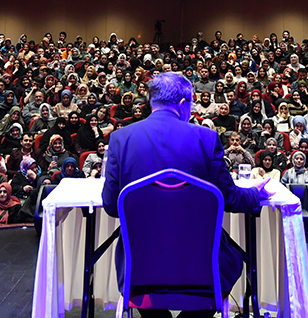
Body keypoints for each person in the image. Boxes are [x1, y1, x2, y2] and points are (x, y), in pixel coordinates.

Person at [102, 72, 269, 318]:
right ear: (183, 104)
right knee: (233, 259)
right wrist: (255, 194)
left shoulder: (120, 139)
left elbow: (111, 206)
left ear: (151, 102)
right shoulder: (207, 138)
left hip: (140, 268)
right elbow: (230, 199)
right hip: (201, 268)